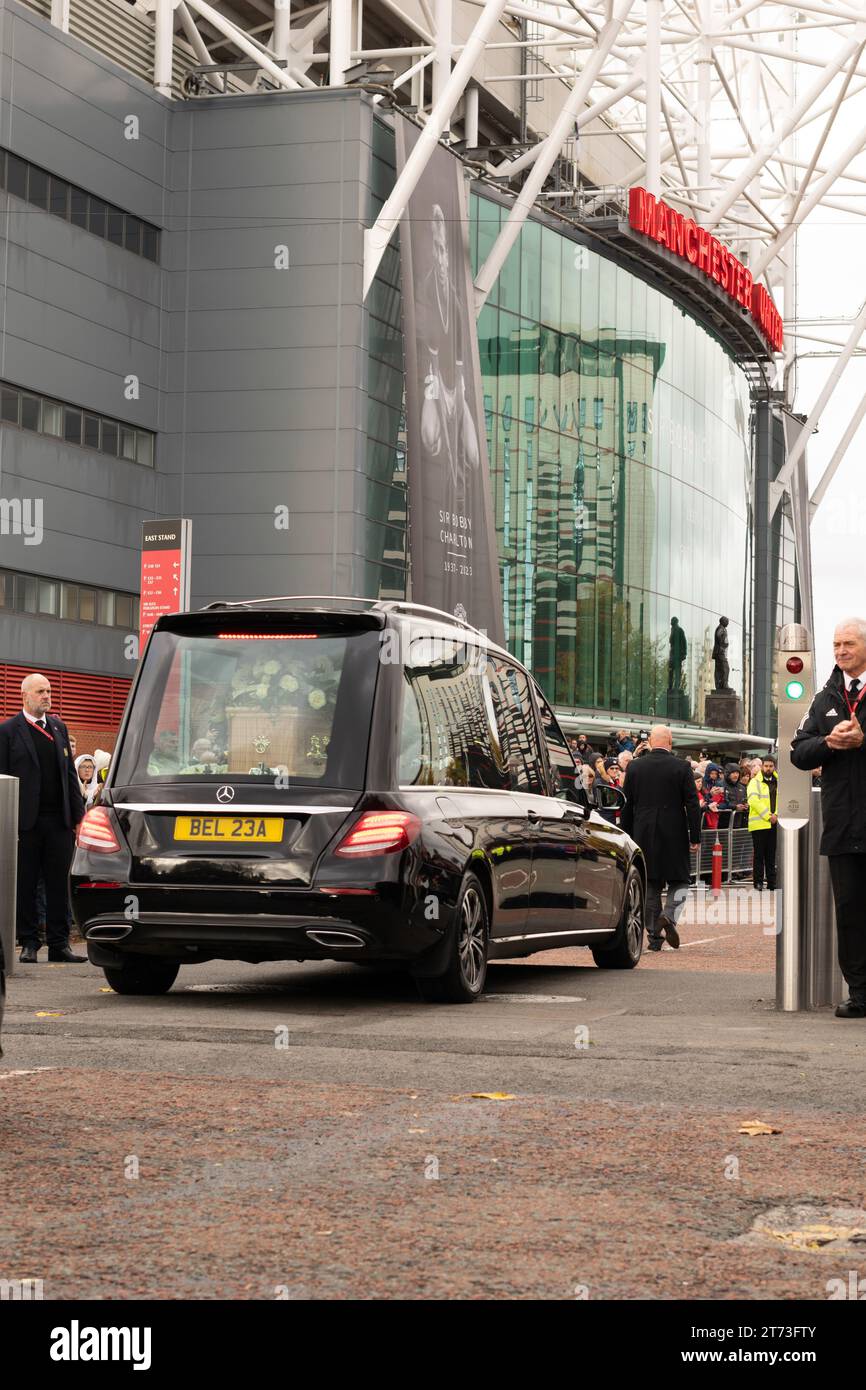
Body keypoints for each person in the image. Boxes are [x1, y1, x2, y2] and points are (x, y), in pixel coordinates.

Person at [791, 617, 866, 1018]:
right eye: (836, 644)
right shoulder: (824, 699)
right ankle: (860, 994)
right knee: (850, 914)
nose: (841, 651)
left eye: (849, 643)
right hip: (841, 828)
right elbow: (797, 752)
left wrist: (863, 739)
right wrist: (828, 742)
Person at [0, 673, 86, 963]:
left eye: (48, 691)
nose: (46, 696)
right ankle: (28, 942)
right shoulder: (8, 731)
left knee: (58, 884)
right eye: (40, 691)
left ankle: (60, 944)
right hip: (25, 822)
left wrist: (79, 816)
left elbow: (70, 777)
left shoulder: (59, 727)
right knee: (25, 883)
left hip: (58, 821)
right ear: (24, 695)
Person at [621, 725, 701, 951]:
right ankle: (669, 915)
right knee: (681, 880)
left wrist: (626, 835)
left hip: (643, 831)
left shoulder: (635, 767)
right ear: (670, 741)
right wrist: (695, 835)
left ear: (651, 742)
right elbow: (692, 804)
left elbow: (627, 804)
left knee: (651, 883)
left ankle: (654, 937)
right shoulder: (682, 767)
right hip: (674, 830)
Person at [747, 756, 778, 891]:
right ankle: (758, 882)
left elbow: (781, 799)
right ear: (762, 767)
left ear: (774, 767)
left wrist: (776, 814)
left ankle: (772, 882)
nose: (768, 768)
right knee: (759, 855)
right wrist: (768, 815)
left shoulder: (778, 781)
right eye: (766, 766)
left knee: (771, 855)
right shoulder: (754, 782)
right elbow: (753, 800)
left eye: (771, 766)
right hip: (759, 824)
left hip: (774, 823)